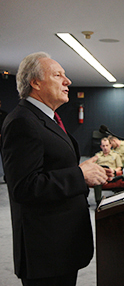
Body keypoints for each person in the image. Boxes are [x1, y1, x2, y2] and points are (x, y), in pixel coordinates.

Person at [1, 52, 109, 285]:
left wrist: (85, 172)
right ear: (35, 82)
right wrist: (79, 175)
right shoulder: (22, 121)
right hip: (45, 252)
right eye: (58, 75)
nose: (67, 81)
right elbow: (25, 186)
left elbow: (51, 168)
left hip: (61, 245)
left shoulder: (46, 119)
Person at [93, 138, 122, 204]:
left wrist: (114, 170)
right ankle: (98, 201)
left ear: (110, 145)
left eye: (107, 145)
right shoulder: (97, 156)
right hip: (100, 174)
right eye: (103, 146)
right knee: (97, 178)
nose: (105, 148)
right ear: (101, 146)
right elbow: (93, 167)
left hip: (111, 174)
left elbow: (119, 167)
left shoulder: (116, 155)